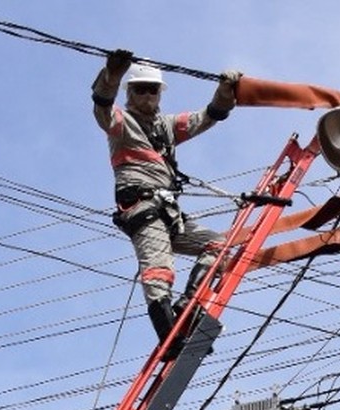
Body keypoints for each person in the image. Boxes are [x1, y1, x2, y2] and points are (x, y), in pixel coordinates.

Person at [91, 49, 241, 343]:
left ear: (160, 94)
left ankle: (188, 305)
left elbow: (207, 117)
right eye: (140, 89)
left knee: (218, 245)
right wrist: (111, 76)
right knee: (159, 269)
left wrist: (224, 95)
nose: (147, 95)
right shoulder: (121, 124)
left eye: (153, 90)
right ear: (129, 93)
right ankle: (169, 335)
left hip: (168, 212)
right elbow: (102, 110)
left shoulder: (166, 126)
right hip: (142, 207)